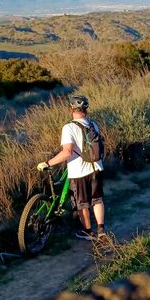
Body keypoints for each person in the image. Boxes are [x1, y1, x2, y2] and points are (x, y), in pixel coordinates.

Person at [37, 94, 106, 241]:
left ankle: (88, 232)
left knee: (82, 204)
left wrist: (47, 163)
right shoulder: (94, 125)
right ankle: (101, 230)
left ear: (71, 109)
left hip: (79, 171)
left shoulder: (68, 127)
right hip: (97, 167)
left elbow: (67, 152)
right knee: (97, 200)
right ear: (86, 110)